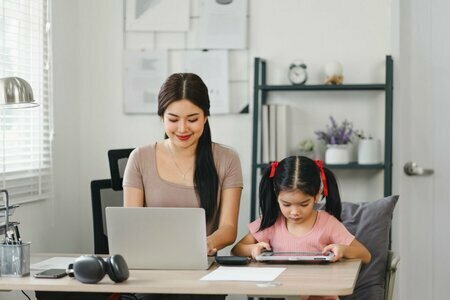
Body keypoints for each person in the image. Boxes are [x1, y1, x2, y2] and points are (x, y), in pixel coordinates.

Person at [122, 73, 243, 300]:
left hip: (203, 271)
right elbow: (132, 227)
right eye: (173, 119)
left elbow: (228, 228)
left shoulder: (227, 159)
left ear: (206, 117)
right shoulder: (139, 158)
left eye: (193, 119)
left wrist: (205, 244)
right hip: (152, 273)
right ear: (162, 117)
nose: (183, 128)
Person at [232, 156, 370, 300]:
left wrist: (343, 250)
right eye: (286, 204)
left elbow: (365, 255)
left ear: (317, 195)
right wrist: (252, 249)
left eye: (304, 204)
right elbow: (237, 249)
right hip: (282, 293)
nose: (295, 212)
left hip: (319, 295)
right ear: (276, 195)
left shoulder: (328, 224)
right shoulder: (271, 222)